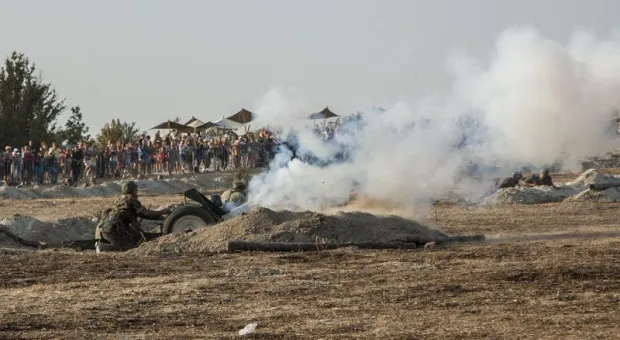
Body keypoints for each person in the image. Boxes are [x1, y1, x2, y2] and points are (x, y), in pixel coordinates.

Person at [95, 181, 171, 252]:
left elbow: (142, 215)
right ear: (130, 190)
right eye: (135, 189)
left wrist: (161, 217)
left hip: (108, 225)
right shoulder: (131, 198)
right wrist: (162, 212)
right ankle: (101, 247)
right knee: (129, 247)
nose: (137, 191)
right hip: (113, 227)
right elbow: (146, 213)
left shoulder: (122, 199)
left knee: (135, 240)